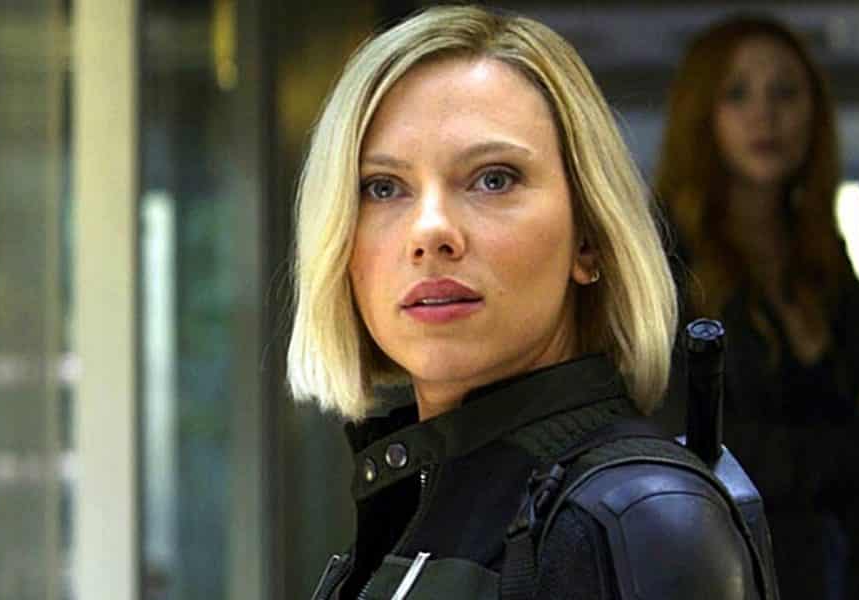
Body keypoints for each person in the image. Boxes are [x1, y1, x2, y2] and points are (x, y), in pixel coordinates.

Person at [287, 5, 774, 599]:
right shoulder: (419, 500)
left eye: (493, 179)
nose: (430, 230)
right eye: (382, 187)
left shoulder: (641, 520)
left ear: (589, 238)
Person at [654, 14, 859, 600]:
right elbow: (703, 452)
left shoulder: (826, 262)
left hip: (851, 571)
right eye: (737, 94)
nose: (765, 115)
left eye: (786, 92)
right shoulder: (665, 264)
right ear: (701, 115)